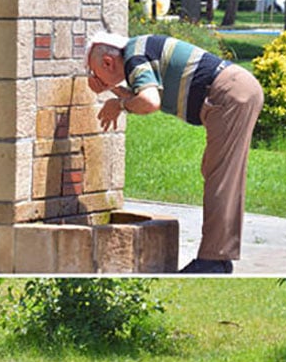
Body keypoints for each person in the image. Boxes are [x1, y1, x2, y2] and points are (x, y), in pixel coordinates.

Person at [85, 32, 264, 274]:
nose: (95, 78)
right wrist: (111, 89)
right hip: (232, 90)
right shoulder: (138, 51)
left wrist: (118, 105)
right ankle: (218, 258)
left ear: (108, 61)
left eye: (95, 72)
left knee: (221, 178)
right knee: (219, 174)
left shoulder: (134, 58)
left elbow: (149, 102)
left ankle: (212, 263)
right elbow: (145, 94)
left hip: (228, 94)